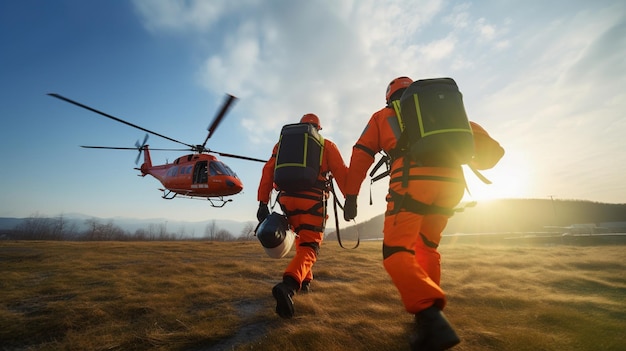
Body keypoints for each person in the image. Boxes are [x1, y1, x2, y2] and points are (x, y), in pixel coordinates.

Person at [343, 76, 502, 350]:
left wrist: (351, 196)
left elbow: (361, 154)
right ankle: (427, 316)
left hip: (412, 183)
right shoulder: (442, 112)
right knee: (427, 246)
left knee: (396, 251)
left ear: (389, 97)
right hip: (452, 185)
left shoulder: (383, 116)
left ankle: (430, 316)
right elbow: (492, 151)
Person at [257, 113, 348, 319]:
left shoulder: (281, 145)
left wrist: (262, 202)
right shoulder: (327, 146)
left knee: (301, 238)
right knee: (310, 246)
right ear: (318, 128)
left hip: (287, 201)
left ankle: (306, 282)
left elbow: (268, 171)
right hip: (313, 202)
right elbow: (342, 173)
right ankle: (289, 286)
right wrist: (350, 200)